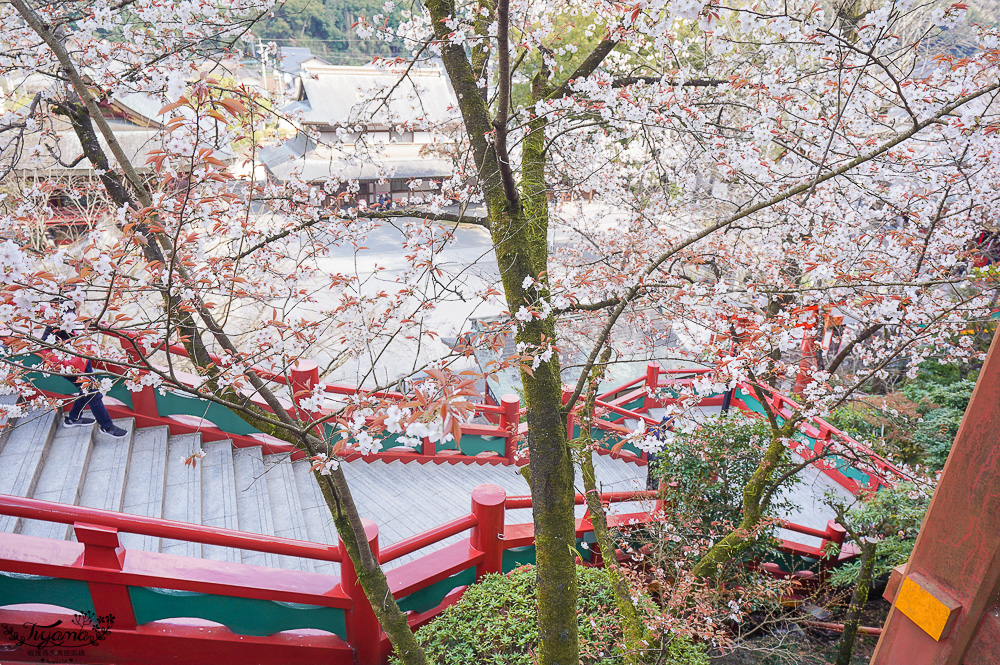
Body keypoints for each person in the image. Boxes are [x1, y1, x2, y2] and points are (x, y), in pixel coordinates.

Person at [41, 313, 128, 438]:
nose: (79, 303)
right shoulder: (56, 317)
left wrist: (92, 321)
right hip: (69, 365)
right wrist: (67, 344)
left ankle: (73, 418)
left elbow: (77, 320)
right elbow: (45, 343)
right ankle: (107, 426)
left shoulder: (70, 310)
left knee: (87, 390)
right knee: (93, 393)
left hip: (81, 358)